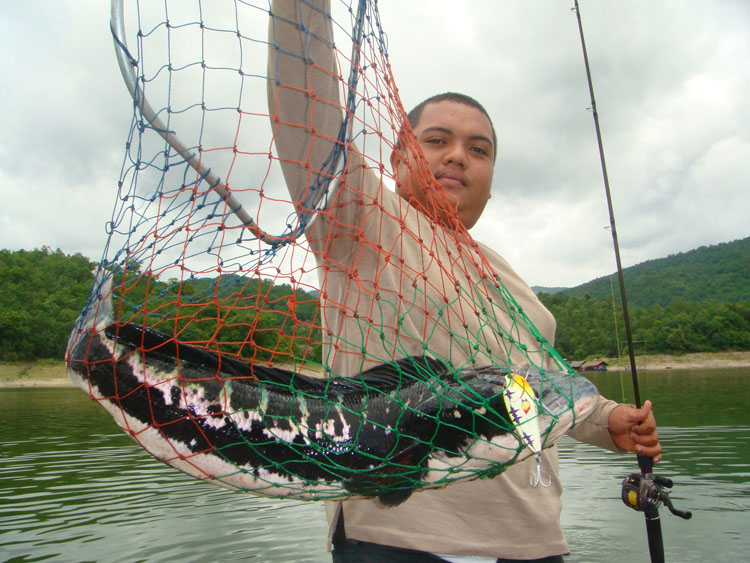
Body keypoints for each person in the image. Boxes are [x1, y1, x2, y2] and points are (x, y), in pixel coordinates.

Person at [266, 2, 661, 561]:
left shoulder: (513, 283)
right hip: (400, 539)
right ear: (399, 159)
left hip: (533, 542)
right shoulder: (362, 220)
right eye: (437, 140)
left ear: (492, 182)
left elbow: (546, 390)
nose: (458, 156)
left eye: (479, 150)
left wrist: (609, 421)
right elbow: (307, 107)